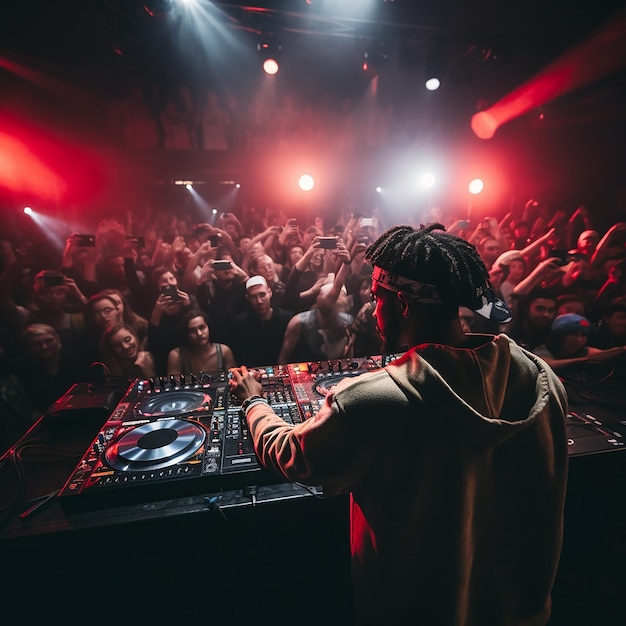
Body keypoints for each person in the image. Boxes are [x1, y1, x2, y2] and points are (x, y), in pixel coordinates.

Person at [228, 223, 568, 626]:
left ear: (403, 305)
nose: (372, 310)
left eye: (376, 298)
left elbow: (292, 454)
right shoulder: (543, 379)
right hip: (519, 610)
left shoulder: (368, 402)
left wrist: (253, 402)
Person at [228, 275, 294, 367]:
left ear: (270, 293)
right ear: (248, 298)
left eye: (262, 295)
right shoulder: (240, 323)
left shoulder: (287, 319)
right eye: (253, 297)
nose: (259, 301)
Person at [533, 313, 626, 373]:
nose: (578, 339)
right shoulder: (543, 350)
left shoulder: (585, 351)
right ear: (559, 336)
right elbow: (549, 365)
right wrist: (585, 360)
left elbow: (603, 355)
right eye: (573, 334)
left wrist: (622, 349)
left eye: (583, 335)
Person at [167, 309, 236, 376]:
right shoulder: (177, 356)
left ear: (208, 327)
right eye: (193, 330)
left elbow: (234, 381)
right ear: (186, 333)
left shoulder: (224, 351)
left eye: (202, 327)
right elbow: (174, 385)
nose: (199, 333)